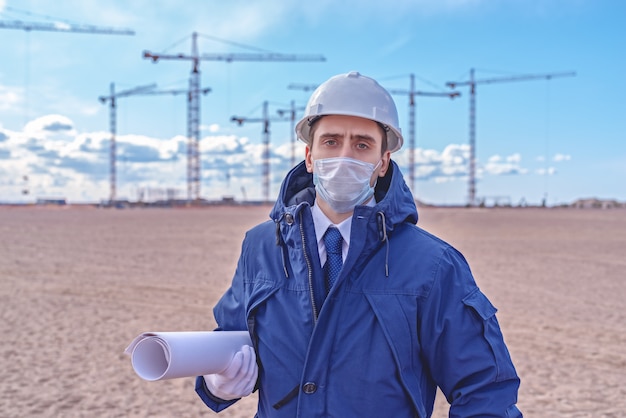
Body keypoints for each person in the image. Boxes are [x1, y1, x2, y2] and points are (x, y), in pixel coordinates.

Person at [195, 71, 522, 417]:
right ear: (309, 156)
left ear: (383, 162)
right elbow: (231, 342)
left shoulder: (433, 265)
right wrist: (216, 382)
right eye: (331, 142)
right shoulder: (260, 247)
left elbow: (485, 391)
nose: (344, 157)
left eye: (362, 145)